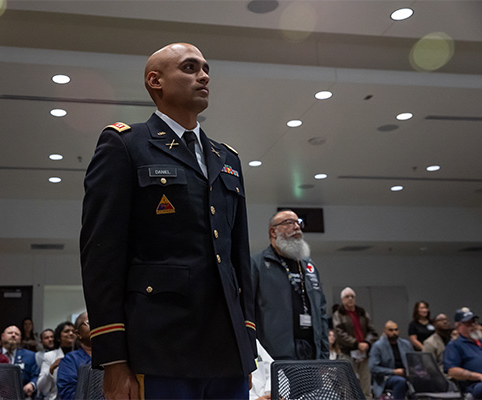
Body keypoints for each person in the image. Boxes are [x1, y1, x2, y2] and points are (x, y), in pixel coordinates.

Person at [80, 42, 256, 399]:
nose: (204, 75)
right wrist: (114, 360)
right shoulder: (126, 145)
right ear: (155, 81)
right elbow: (102, 255)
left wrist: (246, 344)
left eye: (206, 68)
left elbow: (239, 257)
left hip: (227, 351)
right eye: (190, 68)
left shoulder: (227, 159)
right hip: (160, 350)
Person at [251, 209, 329, 360]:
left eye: (298, 222)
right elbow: (247, 311)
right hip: (274, 356)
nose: (297, 227)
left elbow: (321, 313)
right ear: (273, 232)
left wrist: (324, 356)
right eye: (289, 223)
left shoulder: (309, 267)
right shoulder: (256, 264)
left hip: (312, 354)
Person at [333, 287, 378, 399]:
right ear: (342, 299)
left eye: (352, 296)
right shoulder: (339, 314)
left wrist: (366, 342)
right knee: (347, 383)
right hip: (348, 352)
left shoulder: (362, 312)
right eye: (347, 296)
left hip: (364, 353)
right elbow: (339, 333)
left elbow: (372, 331)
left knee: (366, 383)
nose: (350, 299)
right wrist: (356, 344)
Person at [444, 307, 482, 399]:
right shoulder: (455, 345)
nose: (473, 325)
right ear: (458, 327)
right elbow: (452, 371)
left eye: (474, 322)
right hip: (476, 385)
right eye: (468, 323)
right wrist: (481, 377)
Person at [369, 321, 414, 400]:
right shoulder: (378, 346)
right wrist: (394, 371)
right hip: (386, 377)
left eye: (396, 330)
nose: (394, 332)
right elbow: (373, 368)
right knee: (400, 381)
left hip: (406, 374)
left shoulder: (405, 344)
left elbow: (414, 361)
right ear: (385, 331)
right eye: (391, 330)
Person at [57, 313, 93, 400]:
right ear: (78, 333)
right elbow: (67, 392)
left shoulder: (110, 357)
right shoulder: (70, 359)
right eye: (89, 322)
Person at [37, 321, 76, 400]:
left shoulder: (80, 355)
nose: (71, 333)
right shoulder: (50, 356)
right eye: (66, 331)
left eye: (73, 331)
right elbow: (41, 388)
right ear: (58, 337)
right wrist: (51, 369)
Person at [1, 325, 39, 397]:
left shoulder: (30, 355)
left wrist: (31, 384)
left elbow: (36, 375)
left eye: (17, 334)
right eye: (10, 333)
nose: (13, 335)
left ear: (20, 338)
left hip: (21, 395)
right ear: (2, 336)